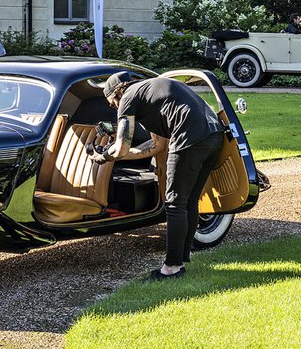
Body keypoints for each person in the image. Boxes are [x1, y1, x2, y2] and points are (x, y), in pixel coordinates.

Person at [93, 72, 225, 280]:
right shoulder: (150, 93)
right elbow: (156, 145)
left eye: (112, 104)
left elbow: (120, 147)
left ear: (117, 92)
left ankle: (171, 267)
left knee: (174, 203)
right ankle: (182, 257)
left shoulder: (128, 97)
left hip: (189, 138)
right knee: (189, 200)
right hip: (214, 137)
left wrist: (102, 156)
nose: (115, 108)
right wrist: (118, 155)